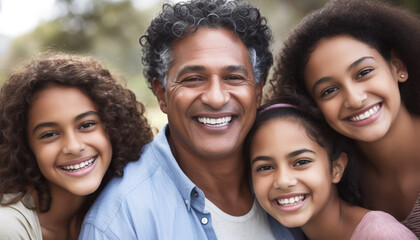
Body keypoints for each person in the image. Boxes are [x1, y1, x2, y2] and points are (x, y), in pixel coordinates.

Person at [79, 0, 303, 239]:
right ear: (162, 94)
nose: (216, 98)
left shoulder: (298, 183)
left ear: (257, 91)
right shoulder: (120, 221)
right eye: (194, 78)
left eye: (234, 77)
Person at [268, 0, 420, 237]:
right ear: (314, 107)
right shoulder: (336, 178)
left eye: (364, 73)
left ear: (397, 66)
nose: (354, 98)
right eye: (329, 91)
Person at [0, 52, 153, 239]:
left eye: (87, 125)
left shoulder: (125, 205)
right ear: (25, 147)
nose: (73, 146)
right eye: (49, 134)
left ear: (114, 126)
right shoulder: (8, 228)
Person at [244, 102, 417, 239]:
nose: (283, 180)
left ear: (336, 168)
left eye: (301, 162)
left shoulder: (381, 234)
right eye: (265, 167)